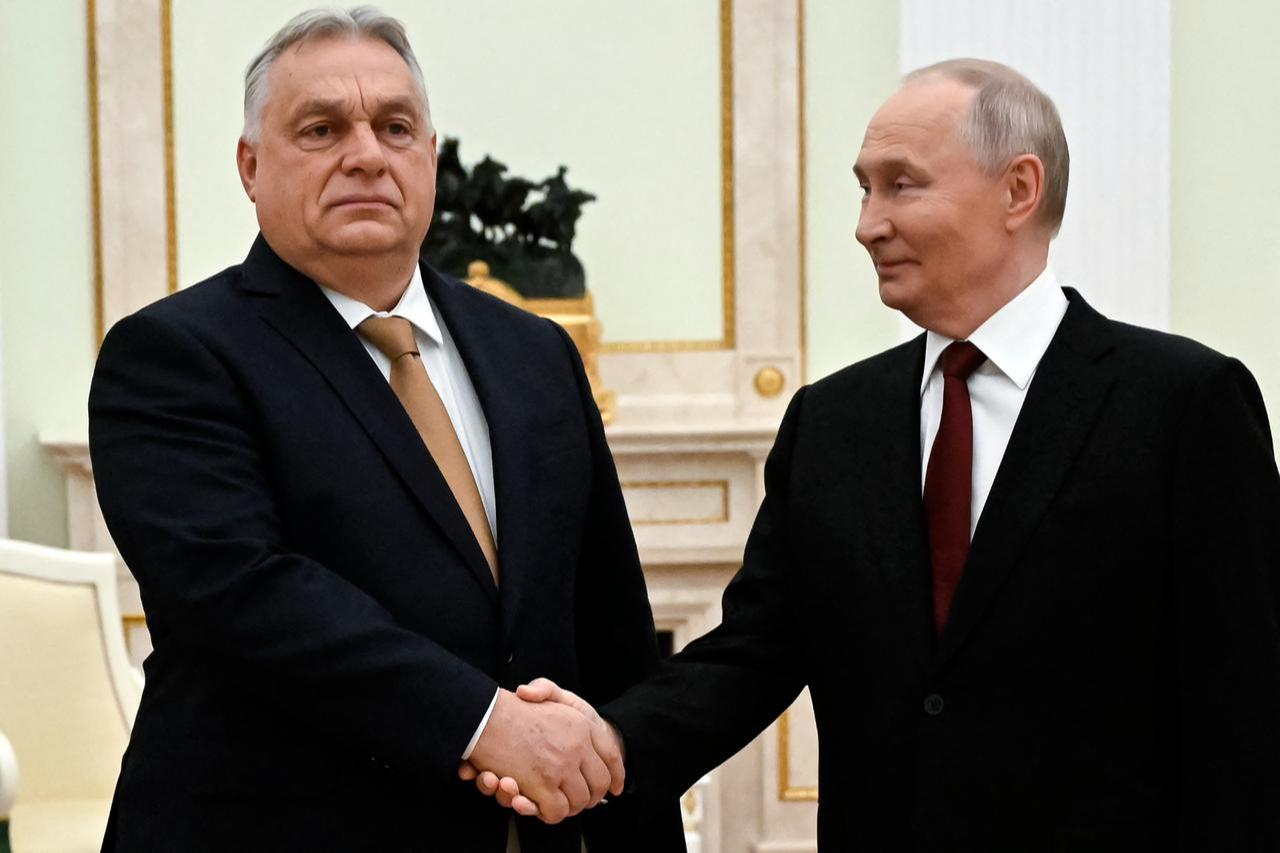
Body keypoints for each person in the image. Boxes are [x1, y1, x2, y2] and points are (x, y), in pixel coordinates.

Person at [472, 58, 1280, 851]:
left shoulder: (1184, 406)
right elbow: (752, 654)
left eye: (902, 183)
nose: (867, 224)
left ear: (1019, 189)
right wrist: (612, 741)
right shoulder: (831, 422)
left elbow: (1242, 716)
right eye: (864, 187)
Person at [88, 7, 684, 851]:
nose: (365, 152)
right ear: (250, 167)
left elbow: (610, 625)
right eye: (322, 128)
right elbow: (245, 595)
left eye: (395, 126)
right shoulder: (174, 355)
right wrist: (487, 723)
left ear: (430, 159)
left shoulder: (534, 350)